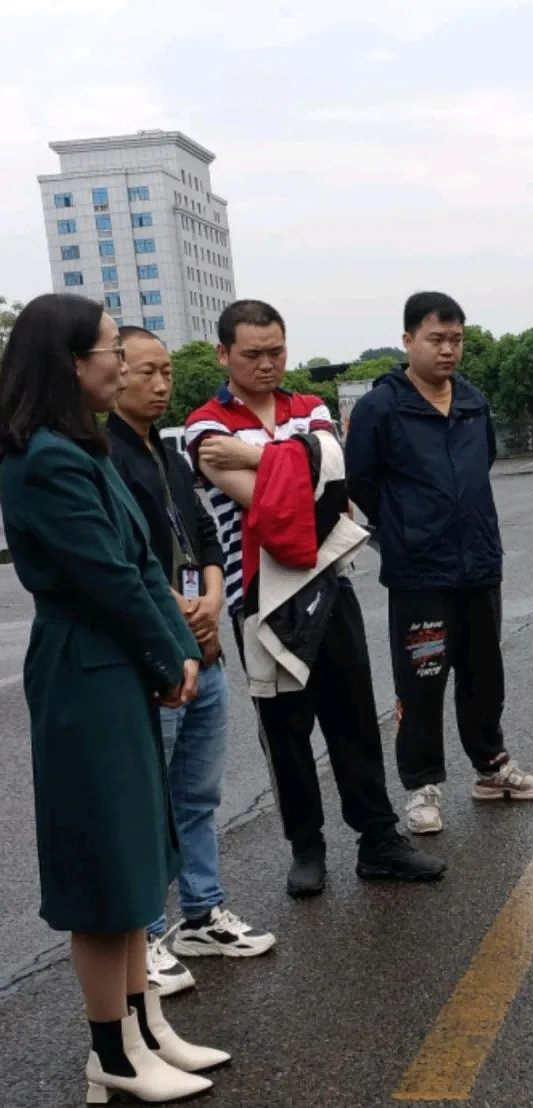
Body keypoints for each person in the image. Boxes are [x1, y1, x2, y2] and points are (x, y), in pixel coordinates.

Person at [0, 294, 228, 1102]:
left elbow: (141, 567)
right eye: (110, 350)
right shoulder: (45, 459)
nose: (121, 362)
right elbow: (106, 578)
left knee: (134, 857)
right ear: (71, 363)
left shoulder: (80, 447)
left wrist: (178, 649)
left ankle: (144, 1029)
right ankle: (114, 1054)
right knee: (104, 870)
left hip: (116, 662)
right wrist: (172, 654)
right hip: (87, 670)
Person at [186, 299, 445, 897]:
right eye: (253, 354)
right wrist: (303, 467)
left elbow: (334, 485)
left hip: (331, 583)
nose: (268, 363)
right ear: (224, 354)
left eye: (277, 350)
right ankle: (307, 847)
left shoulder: (310, 406)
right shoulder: (204, 424)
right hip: (261, 597)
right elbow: (287, 498)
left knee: (354, 718)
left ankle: (378, 840)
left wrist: (256, 458)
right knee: (285, 730)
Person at [106, 325, 276, 997]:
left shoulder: (168, 452)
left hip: (202, 642)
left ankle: (202, 912)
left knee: (198, 794)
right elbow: (122, 562)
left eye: (167, 371)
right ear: (113, 373)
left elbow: (204, 532)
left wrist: (210, 593)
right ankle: (147, 931)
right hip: (155, 652)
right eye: (145, 371)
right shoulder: (104, 456)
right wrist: (178, 609)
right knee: (150, 799)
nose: (160, 384)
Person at [345, 292, 533, 836]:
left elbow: (483, 462)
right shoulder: (380, 407)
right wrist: (403, 528)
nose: (448, 350)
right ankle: (422, 785)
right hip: (419, 571)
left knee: (484, 674)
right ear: (408, 339)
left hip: (478, 561)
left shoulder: (472, 401)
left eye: (456, 339)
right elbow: (361, 481)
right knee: (423, 676)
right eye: (436, 339)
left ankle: (491, 767)